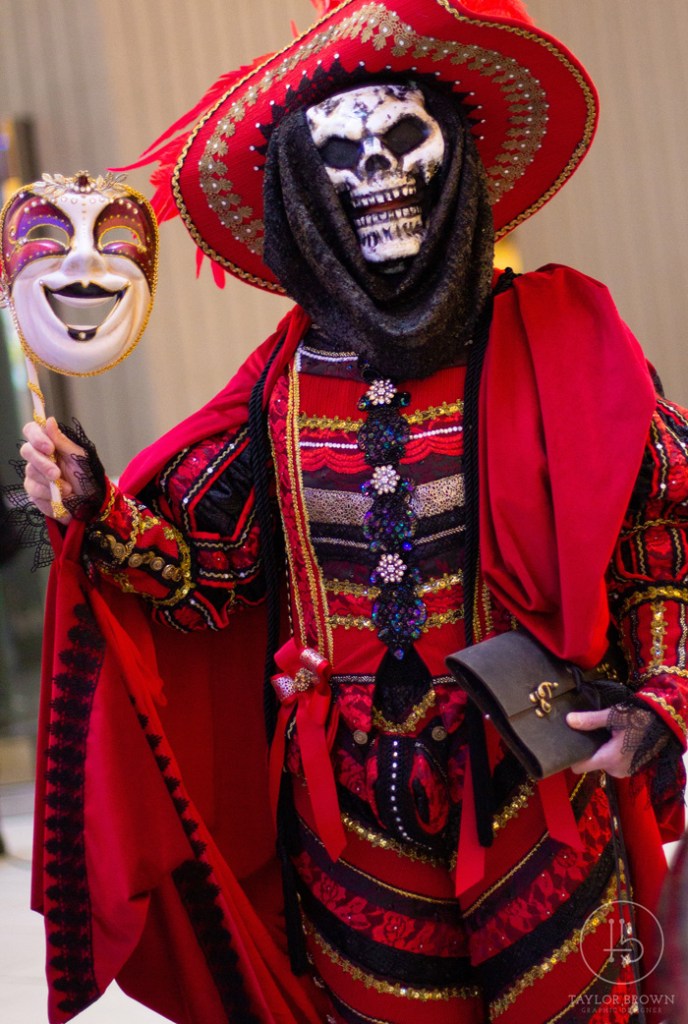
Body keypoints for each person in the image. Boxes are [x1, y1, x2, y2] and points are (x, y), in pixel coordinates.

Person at [14, 1, 688, 1022]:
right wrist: (97, 510)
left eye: (404, 134)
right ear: (301, 190)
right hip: (346, 821)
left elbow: (657, 535)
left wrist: (660, 700)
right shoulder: (277, 386)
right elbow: (211, 577)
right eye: (339, 151)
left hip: (541, 789)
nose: (377, 169)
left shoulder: (559, 336)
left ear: (457, 159)